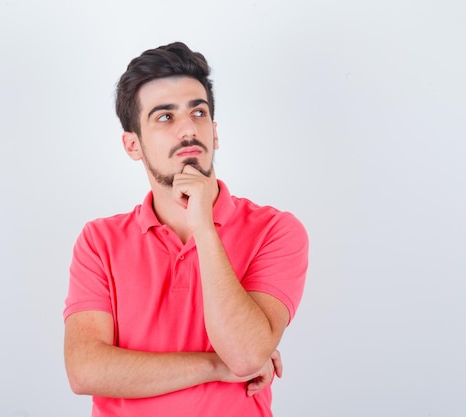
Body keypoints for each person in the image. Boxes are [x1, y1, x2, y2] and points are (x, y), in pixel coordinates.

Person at [63, 42, 308, 417]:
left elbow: (245, 354)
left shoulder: (275, 231)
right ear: (133, 145)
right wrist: (215, 366)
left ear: (215, 131)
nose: (188, 129)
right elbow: (85, 370)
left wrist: (204, 227)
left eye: (198, 112)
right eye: (165, 117)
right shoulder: (99, 241)